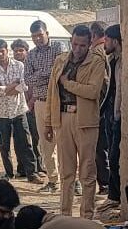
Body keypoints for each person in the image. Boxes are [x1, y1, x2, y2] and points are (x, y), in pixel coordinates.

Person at [45, 25, 106, 219]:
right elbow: (51, 93)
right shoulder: (61, 60)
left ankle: (86, 216)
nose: (78, 49)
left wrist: (67, 83)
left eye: (82, 45)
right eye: (75, 44)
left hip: (85, 120)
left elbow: (93, 91)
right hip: (63, 118)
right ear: (71, 41)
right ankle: (65, 215)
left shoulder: (97, 62)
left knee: (87, 171)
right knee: (66, 171)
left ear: (89, 43)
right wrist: (48, 122)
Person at [0, 39, 43, 184]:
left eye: (2, 51)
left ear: (7, 50)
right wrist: (14, 84)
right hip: (2, 113)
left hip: (19, 110)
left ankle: (32, 173)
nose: (0, 55)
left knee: (25, 143)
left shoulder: (19, 66)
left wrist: (6, 88)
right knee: (4, 145)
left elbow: (24, 86)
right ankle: (8, 173)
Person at [25, 20, 63, 193]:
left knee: (65, 141)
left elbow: (60, 71)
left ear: (47, 33)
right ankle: (53, 180)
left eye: (40, 35)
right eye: (34, 36)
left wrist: (39, 75)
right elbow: (28, 79)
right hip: (40, 102)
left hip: (60, 100)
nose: (37, 39)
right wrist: (47, 73)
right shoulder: (31, 55)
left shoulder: (58, 47)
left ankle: (72, 180)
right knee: (46, 143)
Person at [97, 25, 123, 214]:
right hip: (111, 114)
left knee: (114, 158)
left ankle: (115, 197)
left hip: (119, 115)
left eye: (106, 40)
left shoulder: (124, 62)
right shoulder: (113, 60)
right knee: (113, 157)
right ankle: (114, 196)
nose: (104, 44)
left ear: (115, 41)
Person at [11, 39, 44, 175]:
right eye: (16, 51)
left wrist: (30, 103)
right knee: (20, 139)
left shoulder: (32, 66)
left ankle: (38, 166)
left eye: (21, 50)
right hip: (17, 109)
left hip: (32, 107)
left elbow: (38, 86)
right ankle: (22, 168)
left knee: (35, 138)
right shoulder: (12, 68)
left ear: (26, 51)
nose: (18, 53)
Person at [90, 22, 110, 195]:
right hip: (108, 106)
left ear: (93, 35)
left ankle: (105, 183)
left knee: (99, 148)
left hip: (100, 107)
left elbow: (102, 82)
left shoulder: (97, 53)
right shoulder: (106, 50)